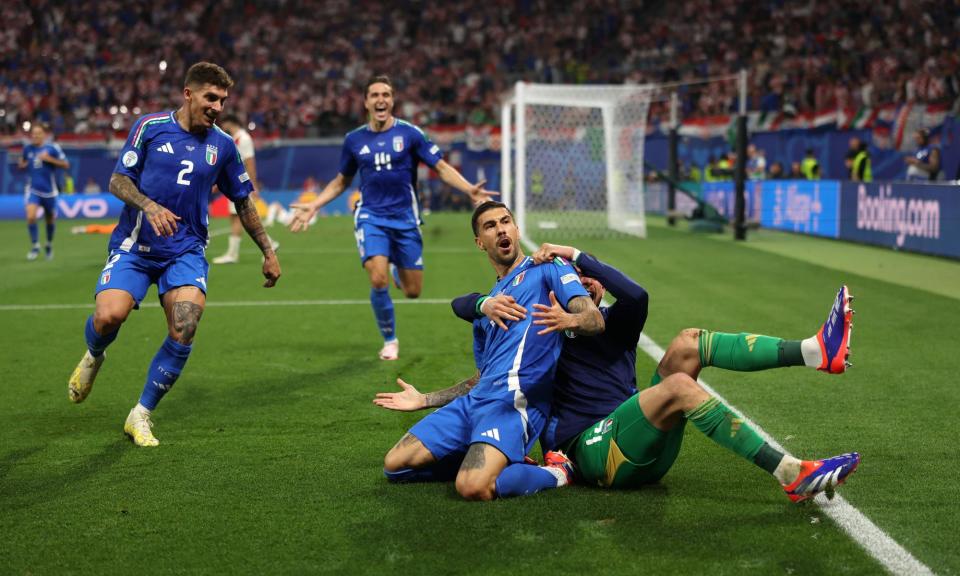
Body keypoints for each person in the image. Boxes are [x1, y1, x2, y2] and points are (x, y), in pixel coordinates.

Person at [380, 243, 859, 502]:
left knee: (688, 342)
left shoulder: (612, 321)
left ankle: (815, 351)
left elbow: (638, 295)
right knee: (676, 386)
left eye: (591, 281)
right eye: (576, 280)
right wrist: (427, 400)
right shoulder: (543, 336)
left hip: (633, 432)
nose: (584, 283)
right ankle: (790, 472)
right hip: (591, 449)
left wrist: (580, 257)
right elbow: (491, 379)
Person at [67, 62, 282, 447]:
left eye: (223, 100)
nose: (217, 106)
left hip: (185, 250)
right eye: (210, 98)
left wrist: (267, 250)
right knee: (108, 316)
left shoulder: (224, 146)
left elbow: (244, 202)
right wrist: (149, 206)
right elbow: (118, 180)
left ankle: (141, 414)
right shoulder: (150, 128)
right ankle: (94, 355)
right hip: (136, 245)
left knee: (184, 325)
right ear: (189, 94)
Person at [374, 202, 604, 501]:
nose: (501, 229)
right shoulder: (489, 305)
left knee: (472, 487)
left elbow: (594, 319)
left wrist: (568, 320)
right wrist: (425, 399)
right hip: (474, 403)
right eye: (490, 226)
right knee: (395, 466)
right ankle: (494, 459)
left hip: (514, 403)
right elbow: (478, 380)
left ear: (517, 229)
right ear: (480, 242)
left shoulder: (548, 268)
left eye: (505, 221)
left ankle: (559, 472)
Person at [289, 75, 495, 361]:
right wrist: (315, 204)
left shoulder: (410, 134)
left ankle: (398, 272)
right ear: (366, 102)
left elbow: (441, 167)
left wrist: (469, 188)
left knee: (413, 291)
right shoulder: (354, 140)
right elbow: (341, 181)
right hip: (371, 216)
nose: (380, 100)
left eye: (385, 94)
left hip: (406, 220)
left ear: (393, 100)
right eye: (374, 95)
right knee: (377, 278)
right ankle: (390, 340)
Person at [212, 114, 279, 264]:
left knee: (244, 216)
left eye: (225, 124)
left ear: (231, 122)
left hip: (241, 184)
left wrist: (252, 185)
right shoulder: (235, 138)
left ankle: (267, 245)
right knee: (236, 217)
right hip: (234, 183)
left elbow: (250, 162)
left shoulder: (244, 138)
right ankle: (234, 253)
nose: (224, 127)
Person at [18, 122, 69, 260]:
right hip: (33, 189)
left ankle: (48, 244)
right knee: (31, 217)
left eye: (38, 133)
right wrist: (21, 165)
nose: (35, 136)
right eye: (33, 134)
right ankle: (35, 246)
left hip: (49, 191)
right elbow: (22, 163)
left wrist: (49, 159)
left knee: (49, 221)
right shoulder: (27, 149)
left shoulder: (52, 148)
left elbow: (65, 164)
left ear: (44, 135)